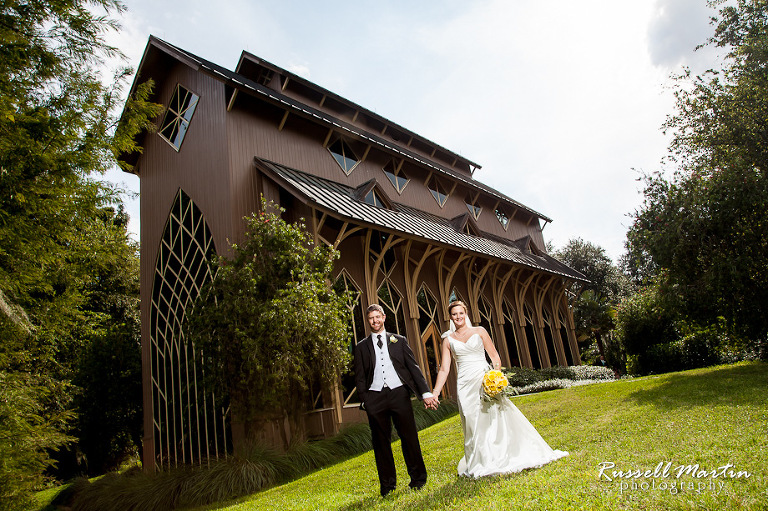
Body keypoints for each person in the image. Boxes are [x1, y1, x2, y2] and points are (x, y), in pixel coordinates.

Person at [431, 300, 568, 478]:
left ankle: (501, 454)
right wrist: (435, 392)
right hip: (465, 385)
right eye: (454, 314)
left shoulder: (480, 332)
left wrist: (495, 377)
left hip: (483, 379)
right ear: (450, 317)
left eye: (461, 313)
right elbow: (444, 369)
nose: (458, 317)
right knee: (472, 421)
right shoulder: (448, 340)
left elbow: (494, 356)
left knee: (492, 417)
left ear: (466, 314)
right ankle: (480, 460)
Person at [353, 304, 440, 497]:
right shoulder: (361, 347)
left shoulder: (399, 341)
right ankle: (387, 486)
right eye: (371, 318)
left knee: (409, 437)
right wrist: (366, 400)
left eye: (378, 317)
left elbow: (413, 368)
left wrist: (425, 392)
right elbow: (359, 377)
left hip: (398, 393)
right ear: (367, 321)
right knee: (381, 443)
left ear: (384, 317)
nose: (375, 321)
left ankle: (418, 479)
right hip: (374, 397)